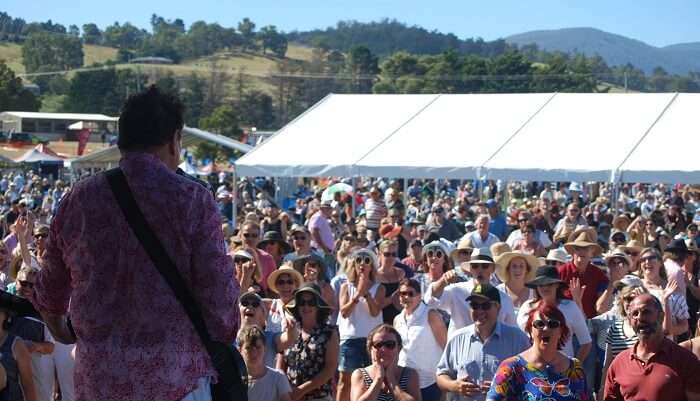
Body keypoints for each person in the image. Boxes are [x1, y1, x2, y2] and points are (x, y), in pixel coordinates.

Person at [33, 86, 239, 401]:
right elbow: (221, 307)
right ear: (174, 140)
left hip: (99, 383)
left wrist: (73, 335)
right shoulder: (192, 200)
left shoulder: (77, 200)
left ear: (122, 140)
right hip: (176, 383)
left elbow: (49, 298)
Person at [436, 284, 529, 401]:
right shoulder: (457, 338)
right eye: (474, 306)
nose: (479, 311)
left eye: (485, 306)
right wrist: (455, 385)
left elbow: (531, 378)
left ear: (498, 307)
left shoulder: (517, 339)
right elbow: (441, 375)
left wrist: (504, 388)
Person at [603, 294, 700, 401]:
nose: (640, 317)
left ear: (661, 316)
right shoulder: (619, 363)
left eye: (646, 312)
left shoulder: (685, 359)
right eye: (635, 314)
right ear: (630, 321)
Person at [487, 303, 591, 401]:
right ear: (530, 331)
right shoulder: (510, 368)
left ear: (560, 331)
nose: (546, 328)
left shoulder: (575, 368)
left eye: (553, 324)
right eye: (539, 324)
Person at [426, 248, 516, 337]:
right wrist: (443, 280)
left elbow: (512, 332)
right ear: (470, 269)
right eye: (475, 266)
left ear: (492, 269)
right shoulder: (456, 291)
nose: (480, 270)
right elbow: (430, 300)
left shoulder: (504, 299)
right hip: (459, 348)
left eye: (484, 266)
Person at [337, 248, 386, 401]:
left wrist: (366, 292)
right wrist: (358, 293)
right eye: (358, 260)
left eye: (367, 260)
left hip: (373, 342)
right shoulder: (346, 287)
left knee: (371, 381)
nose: (362, 264)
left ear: (372, 265)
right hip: (351, 340)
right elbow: (344, 312)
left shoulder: (379, 288)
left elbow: (375, 312)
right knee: (345, 382)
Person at [518, 266, 593, 361]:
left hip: (562, 370)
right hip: (531, 369)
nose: (545, 287)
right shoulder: (527, 307)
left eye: (549, 284)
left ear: (557, 285)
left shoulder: (570, 307)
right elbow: (518, 339)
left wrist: (573, 370)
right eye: (541, 284)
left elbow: (586, 343)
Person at [281, 283, 339, 401]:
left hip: (318, 397)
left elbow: (330, 368)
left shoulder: (329, 332)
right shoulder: (291, 330)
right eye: (302, 302)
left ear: (318, 306)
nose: (306, 306)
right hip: (290, 396)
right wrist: (287, 389)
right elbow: (280, 363)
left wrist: (301, 390)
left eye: (311, 302)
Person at [393, 278, 447, 401]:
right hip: (404, 380)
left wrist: (445, 384)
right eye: (402, 294)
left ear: (419, 295)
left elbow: (446, 348)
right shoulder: (397, 319)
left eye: (410, 293)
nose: (406, 297)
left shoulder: (431, 315)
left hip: (429, 382)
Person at [350, 324, 421, 401]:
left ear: (399, 348)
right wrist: (378, 378)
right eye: (378, 345)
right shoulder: (360, 374)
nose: (383, 350)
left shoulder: (410, 374)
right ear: (370, 349)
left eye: (390, 345)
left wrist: (391, 379)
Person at [638, 247, 690, 340]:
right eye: (643, 259)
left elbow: (684, 326)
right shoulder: (635, 285)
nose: (647, 262)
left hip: (665, 346)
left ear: (660, 262)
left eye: (651, 258)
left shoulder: (672, 288)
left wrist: (664, 330)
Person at [558, 228, 610, 318]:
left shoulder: (598, 274)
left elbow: (604, 304)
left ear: (592, 253)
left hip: (590, 325)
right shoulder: (561, 272)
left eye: (586, 248)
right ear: (573, 252)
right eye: (578, 248)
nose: (581, 251)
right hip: (564, 324)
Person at [239, 325, 292, 401]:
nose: (254, 352)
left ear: (265, 349)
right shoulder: (235, 380)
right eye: (248, 348)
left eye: (258, 347)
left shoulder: (278, 378)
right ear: (240, 350)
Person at [494, 251, 539, 316]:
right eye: (514, 266)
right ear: (508, 269)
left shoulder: (534, 293)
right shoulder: (498, 291)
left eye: (521, 266)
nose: (518, 270)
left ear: (526, 270)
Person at [266, 264, 304, 334]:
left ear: (295, 285)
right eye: (281, 282)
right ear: (276, 286)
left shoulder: (303, 307)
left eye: (290, 282)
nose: (285, 286)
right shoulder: (269, 305)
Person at [376, 240, 406, 324]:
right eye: (387, 254)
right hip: (380, 320)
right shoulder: (374, 276)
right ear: (379, 255)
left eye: (394, 254)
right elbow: (377, 306)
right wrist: (395, 295)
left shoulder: (401, 273)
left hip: (399, 319)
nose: (391, 258)